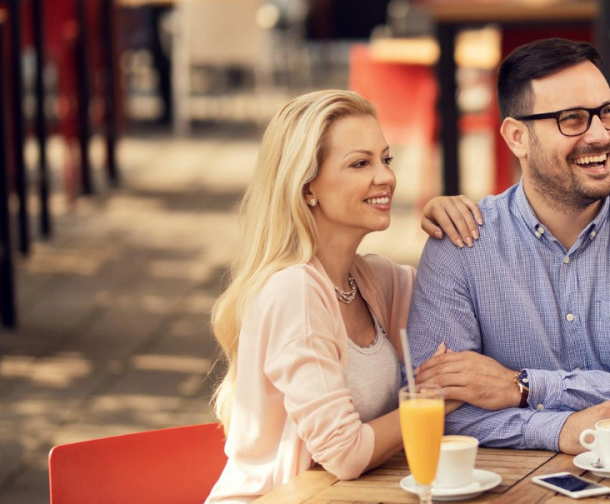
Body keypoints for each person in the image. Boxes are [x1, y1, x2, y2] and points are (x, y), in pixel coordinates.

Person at [405, 38, 610, 454]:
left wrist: (520, 387)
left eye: (608, 113)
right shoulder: (462, 243)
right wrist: (562, 430)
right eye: (573, 119)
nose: (601, 135)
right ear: (517, 137)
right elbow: (440, 408)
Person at [205, 90, 482, 503]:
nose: (386, 176)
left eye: (385, 159)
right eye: (360, 163)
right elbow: (344, 453)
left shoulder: (374, 280)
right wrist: (436, 402)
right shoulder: (293, 291)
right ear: (307, 188)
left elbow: (467, 307)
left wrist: (450, 225)